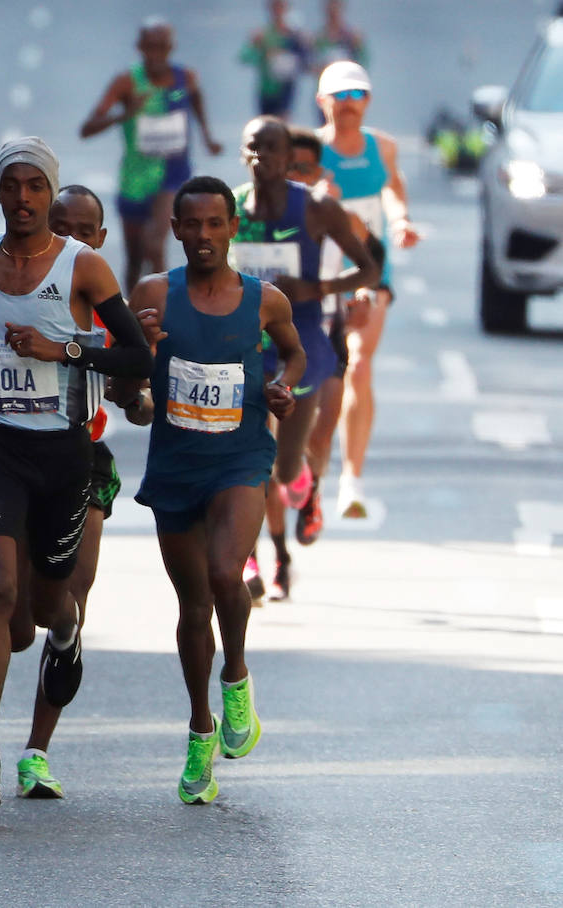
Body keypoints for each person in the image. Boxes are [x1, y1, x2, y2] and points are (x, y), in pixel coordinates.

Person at [0, 138, 152, 807]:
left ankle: (70, 630)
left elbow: (136, 357)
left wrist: (66, 348)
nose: (22, 198)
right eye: (11, 186)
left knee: (47, 610)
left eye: (34, 187)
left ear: (50, 193)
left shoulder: (85, 270)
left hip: (64, 456)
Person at [121, 175, 304, 804]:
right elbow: (130, 391)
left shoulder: (264, 300)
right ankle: (201, 727)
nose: (203, 236)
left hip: (241, 461)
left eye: (214, 224)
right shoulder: (153, 295)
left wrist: (284, 388)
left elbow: (294, 356)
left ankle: (237, 678)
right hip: (175, 465)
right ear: (174, 231)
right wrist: (140, 360)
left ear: (232, 228)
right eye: (190, 225)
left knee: (228, 573)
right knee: (192, 605)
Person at [230, 117, 377, 601]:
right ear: (243, 153)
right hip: (244, 354)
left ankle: (306, 484)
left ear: (286, 156)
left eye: (271, 148)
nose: (261, 157)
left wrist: (318, 289)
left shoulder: (315, 207)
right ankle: (251, 559)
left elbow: (369, 267)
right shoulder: (229, 208)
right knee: (247, 466)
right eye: (253, 148)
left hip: (301, 348)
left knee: (285, 468)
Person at [316, 61, 418, 519]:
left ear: (368, 100)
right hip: (319, 275)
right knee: (313, 374)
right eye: (339, 95)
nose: (349, 104)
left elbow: (394, 188)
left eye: (357, 95)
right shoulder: (310, 153)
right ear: (323, 101)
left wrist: (399, 221)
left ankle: (350, 479)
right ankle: (304, 468)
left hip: (372, 271)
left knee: (358, 365)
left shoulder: (384, 148)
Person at [284, 128, 385, 547]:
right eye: (291, 168)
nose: (298, 176)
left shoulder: (330, 210)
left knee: (321, 432)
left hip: (326, 329)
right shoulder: (254, 211)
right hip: (273, 333)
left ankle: (311, 497)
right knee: (275, 440)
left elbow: (371, 254)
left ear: (319, 171)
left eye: (306, 168)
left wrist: (361, 292)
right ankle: (263, 541)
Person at [80, 18, 223, 293]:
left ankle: (163, 314)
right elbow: (86, 129)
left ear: (171, 47)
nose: (156, 54)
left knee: (154, 244)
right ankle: (133, 324)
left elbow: (196, 99)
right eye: (150, 47)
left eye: (162, 47)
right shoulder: (126, 82)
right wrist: (124, 114)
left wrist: (207, 136)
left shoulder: (186, 78)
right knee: (134, 259)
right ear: (140, 47)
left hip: (172, 176)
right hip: (134, 179)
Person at [239, 0, 308, 120]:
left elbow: (305, 62)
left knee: (282, 125)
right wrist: (257, 46)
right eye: (275, 6)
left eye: (281, 5)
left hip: (286, 88)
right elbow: (244, 57)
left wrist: (305, 45)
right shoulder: (263, 34)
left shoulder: (295, 36)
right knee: (266, 126)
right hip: (267, 88)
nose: (278, 10)